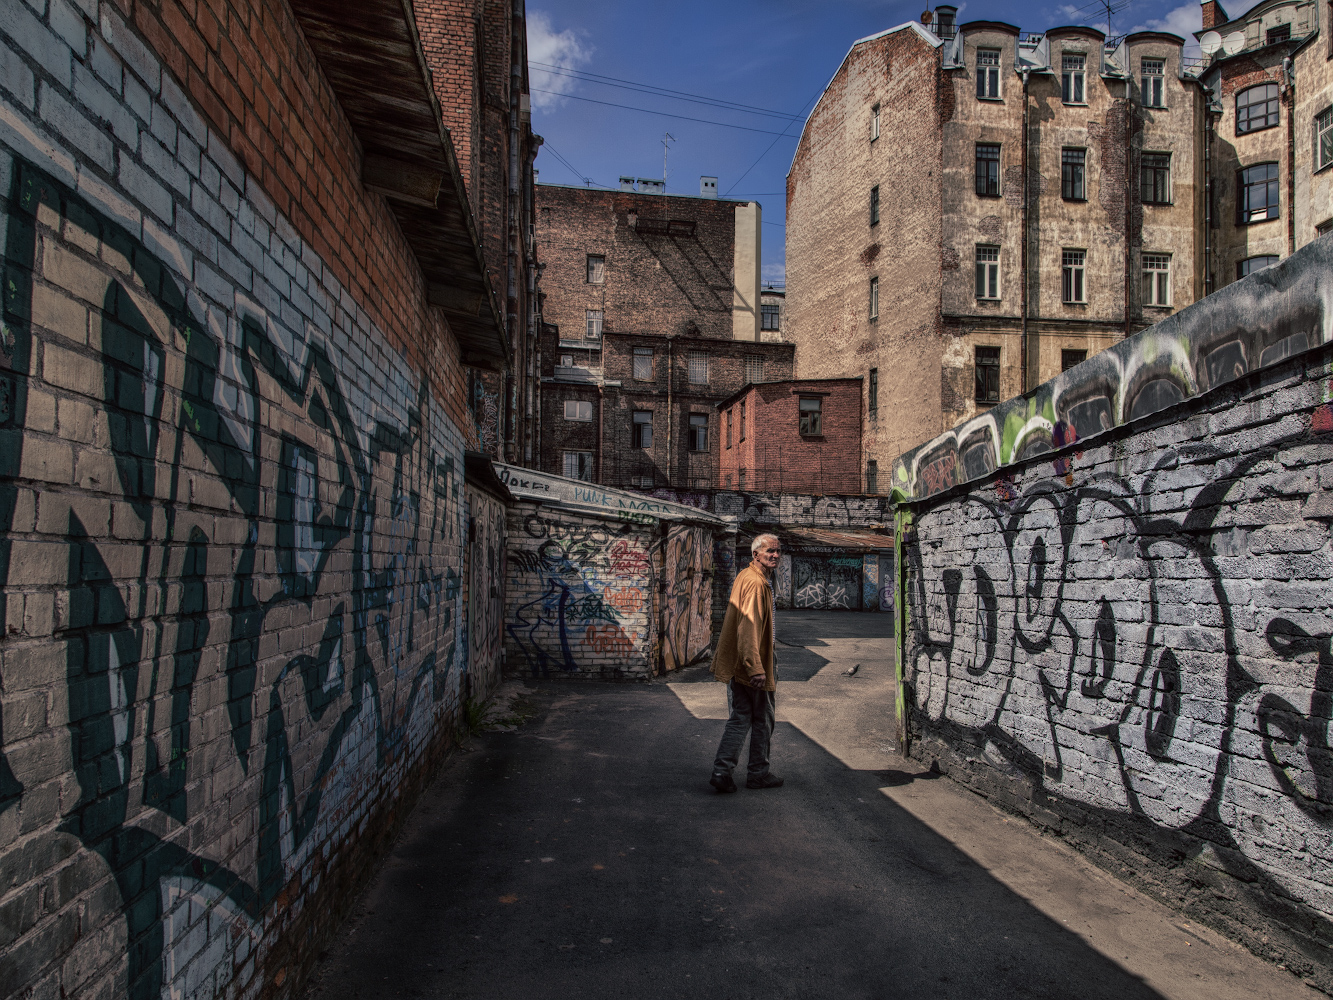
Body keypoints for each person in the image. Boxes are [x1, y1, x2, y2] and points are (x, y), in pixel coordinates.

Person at [709, 533, 784, 792]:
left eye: (777, 551)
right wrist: (756, 667)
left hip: (741, 659)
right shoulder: (756, 583)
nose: (775, 555)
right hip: (753, 660)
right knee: (762, 718)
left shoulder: (747, 575)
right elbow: (748, 627)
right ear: (756, 555)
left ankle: (722, 771)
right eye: (769, 551)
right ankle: (758, 773)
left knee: (741, 716)